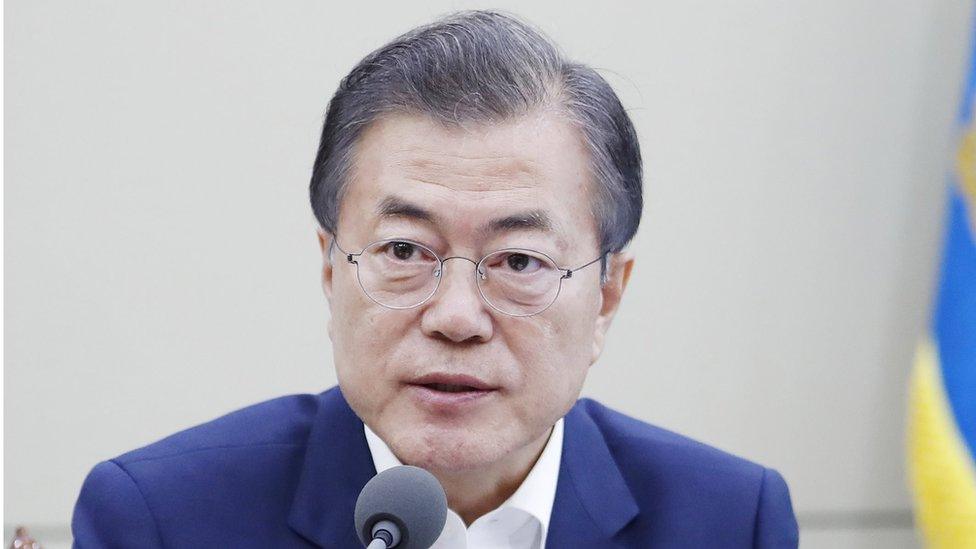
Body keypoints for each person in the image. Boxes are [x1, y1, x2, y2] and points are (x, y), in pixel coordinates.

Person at [72, 10, 799, 548]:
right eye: (405, 251)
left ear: (606, 295)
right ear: (331, 270)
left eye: (519, 261)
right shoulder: (159, 519)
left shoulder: (731, 520)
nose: (456, 316)